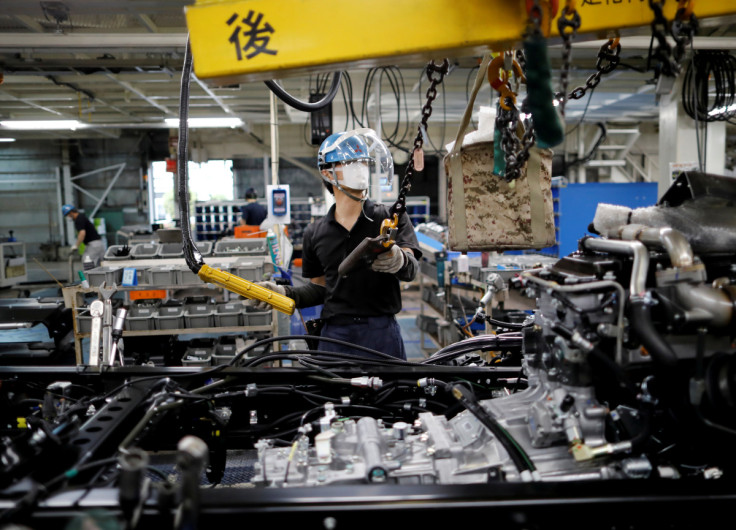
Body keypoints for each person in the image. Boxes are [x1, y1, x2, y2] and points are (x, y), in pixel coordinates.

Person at [253, 129, 420, 360]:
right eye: (350, 162)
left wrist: (399, 259)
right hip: (335, 336)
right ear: (328, 174)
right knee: (331, 396)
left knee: (389, 395)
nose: (360, 167)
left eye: (363, 161)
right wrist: (282, 292)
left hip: (381, 334)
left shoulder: (391, 217)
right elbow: (319, 289)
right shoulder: (315, 232)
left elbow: (412, 269)